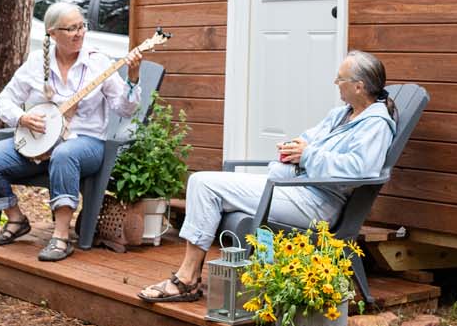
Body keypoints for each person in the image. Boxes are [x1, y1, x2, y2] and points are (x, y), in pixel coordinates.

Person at [138, 50, 396, 303]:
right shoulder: (341, 114)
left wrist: (307, 156)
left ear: (359, 86)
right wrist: (293, 147)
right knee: (201, 183)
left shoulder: (375, 124)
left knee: (205, 186)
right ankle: (190, 275)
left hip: (317, 204)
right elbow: (309, 138)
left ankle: (187, 279)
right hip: (294, 188)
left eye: (340, 79)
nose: (336, 84)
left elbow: (360, 170)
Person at [0, 1, 142, 261]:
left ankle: (61, 236)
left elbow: (125, 109)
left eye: (82, 26)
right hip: (41, 145)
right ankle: (16, 220)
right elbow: (3, 102)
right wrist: (23, 117)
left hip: (86, 144)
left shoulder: (98, 63)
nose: (79, 33)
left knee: (65, 154)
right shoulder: (37, 63)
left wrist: (133, 78)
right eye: (71, 28)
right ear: (52, 32)